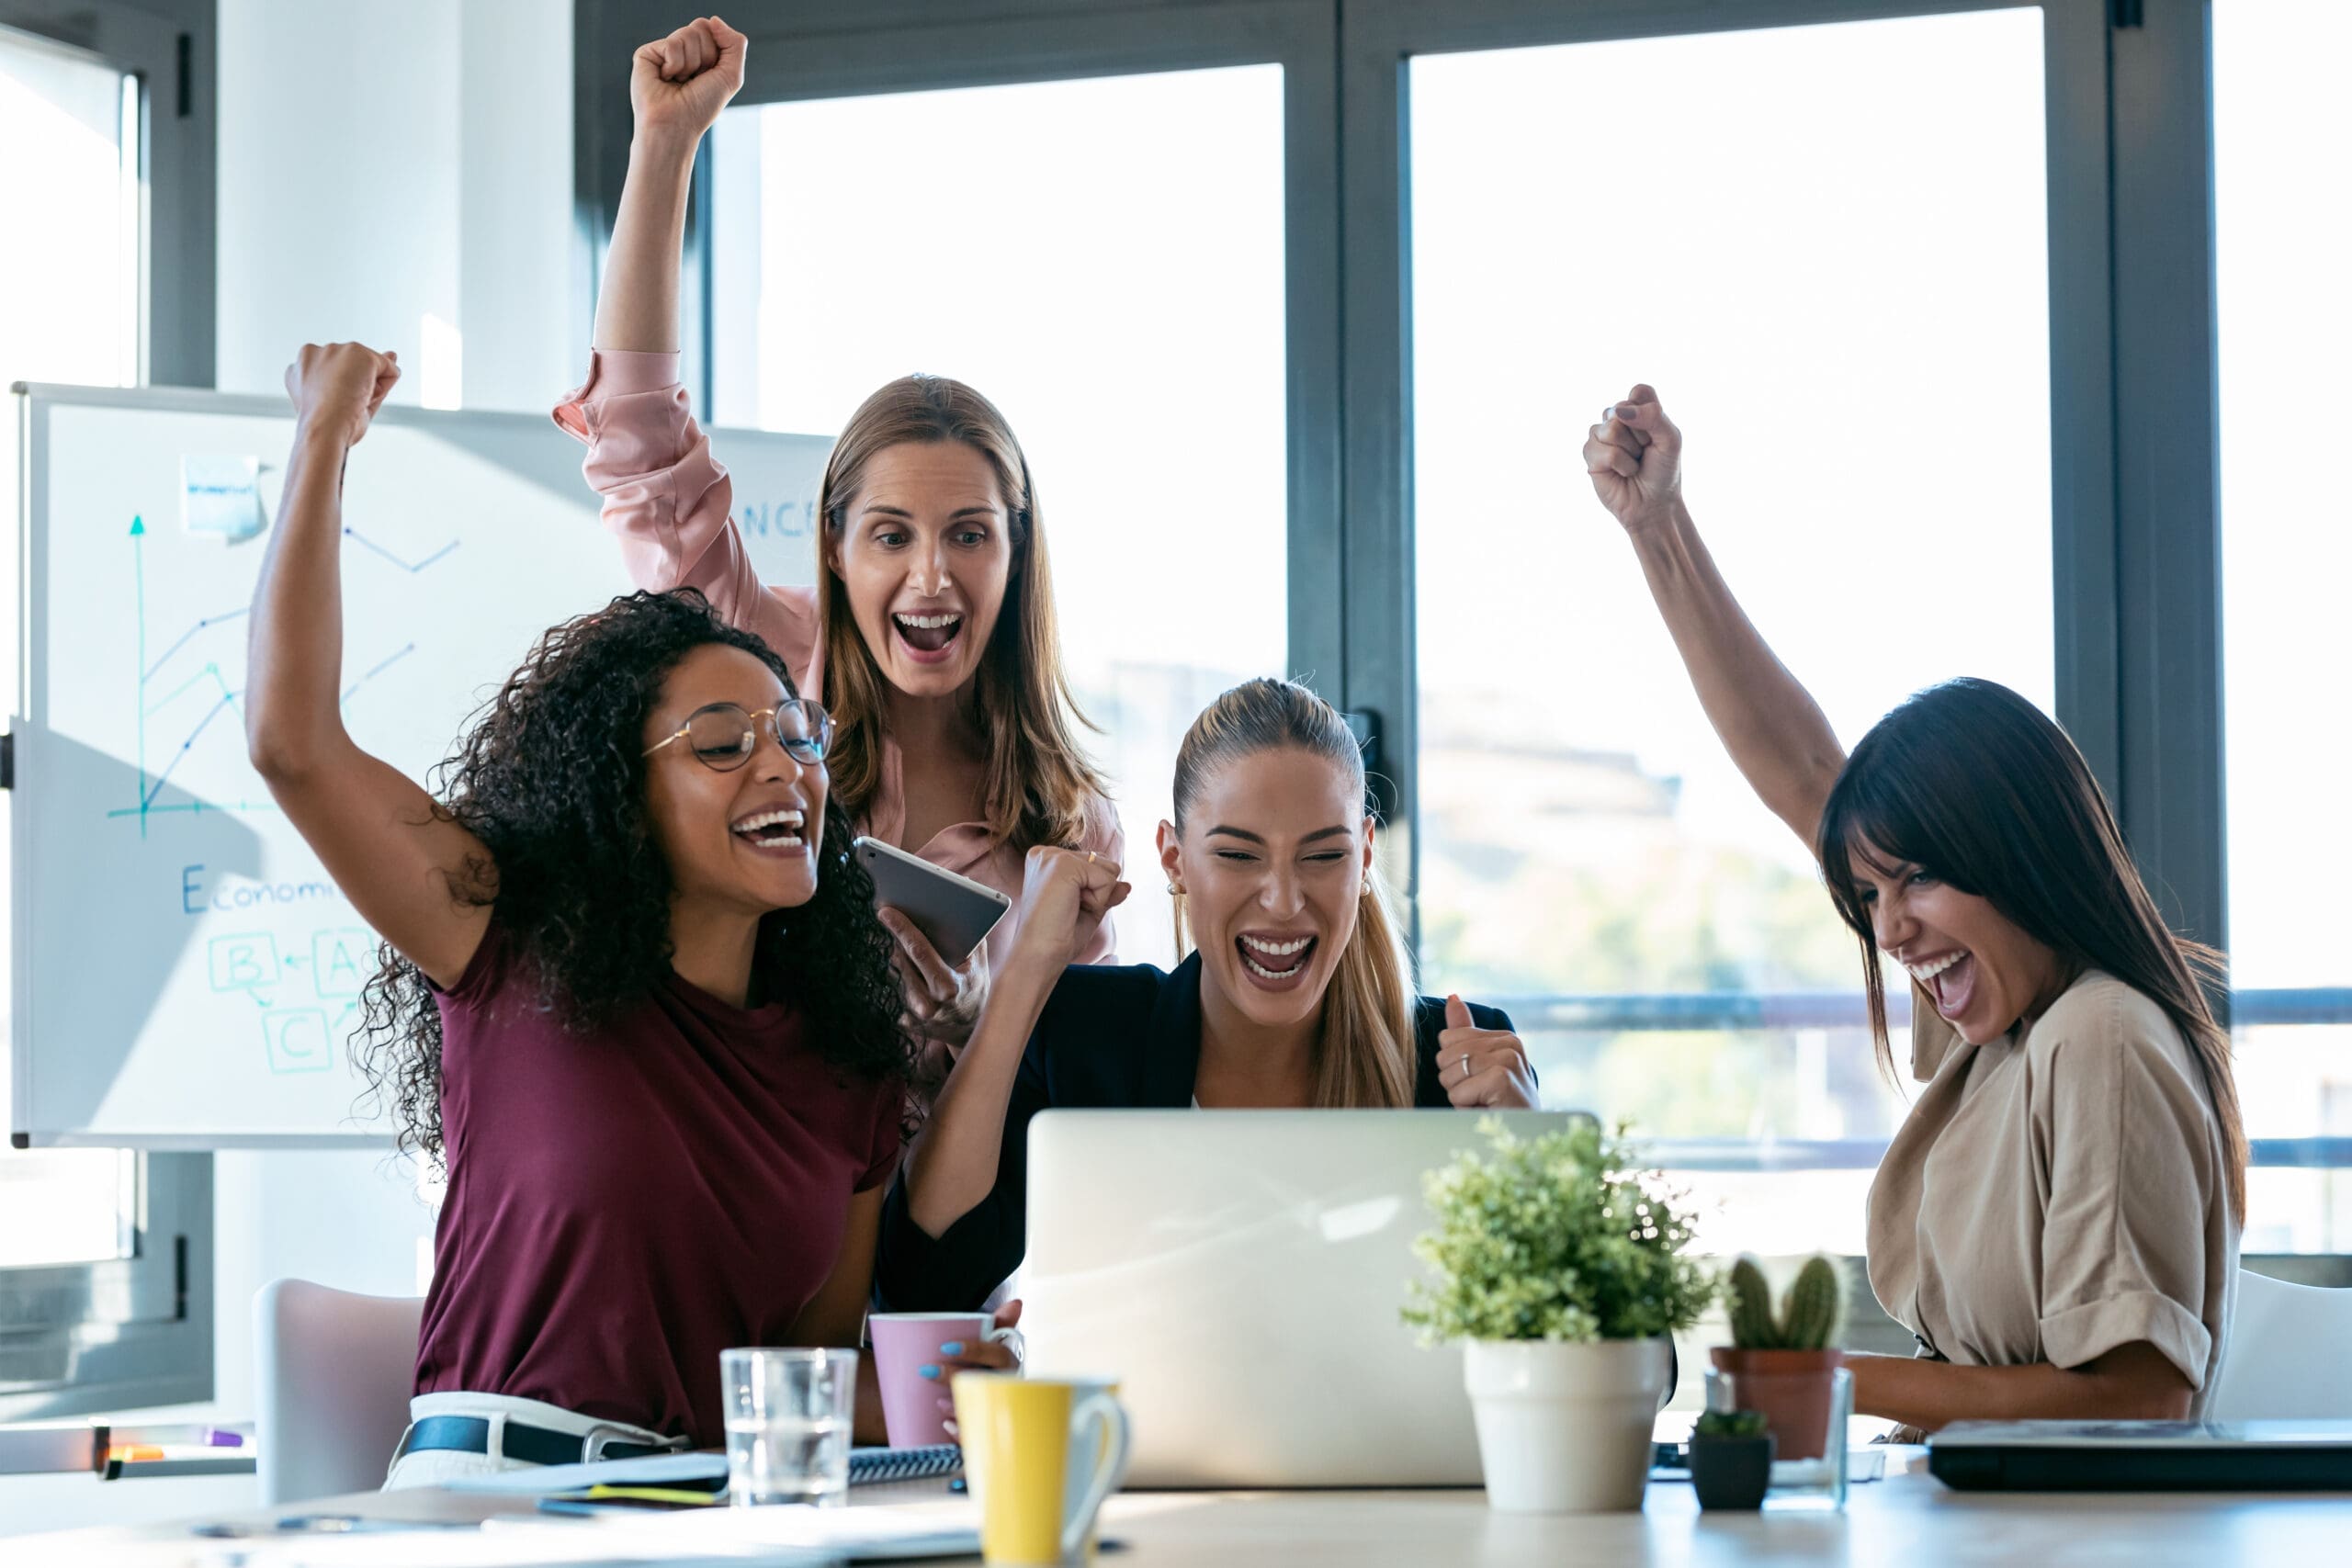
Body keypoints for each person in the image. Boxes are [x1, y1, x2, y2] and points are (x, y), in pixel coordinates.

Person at [245, 342, 1013, 1487]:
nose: (782, 770)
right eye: (719, 746)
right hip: (495, 1504)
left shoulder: (849, 1071)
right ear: (620, 794)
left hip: (705, 1509)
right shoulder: (506, 943)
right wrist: (322, 443)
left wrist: (960, 1376)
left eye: (797, 740)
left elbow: (801, 1384)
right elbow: (292, 743)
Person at [1585, 385, 2246, 1431]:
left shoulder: (2097, 1035)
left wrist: (1807, 1379)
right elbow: (1804, 773)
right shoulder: (2008, 1024)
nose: (1888, 929)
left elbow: (2140, 1397)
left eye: (1917, 881)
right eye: (1870, 893)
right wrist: (1656, 529)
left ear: (2018, 856)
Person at [557, 16, 1122, 1060]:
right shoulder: (761, 671)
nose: (931, 577)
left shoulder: (1067, 822)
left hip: (958, 1215)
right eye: (892, 535)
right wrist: (664, 146)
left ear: (1016, 553)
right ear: (833, 547)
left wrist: (968, 1030)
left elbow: (1068, 1085)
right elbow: (639, 442)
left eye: (968, 535)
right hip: (756, 1195)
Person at [877, 678, 1539, 1311]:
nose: (1283, 901)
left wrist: (1529, 1156)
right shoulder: (1086, 1038)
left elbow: (1571, 1336)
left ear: (1366, 858)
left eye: (1323, 855)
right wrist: (1026, 969)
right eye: (1238, 854)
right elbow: (923, 1283)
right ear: (1174, 859)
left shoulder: (1452, 1065)